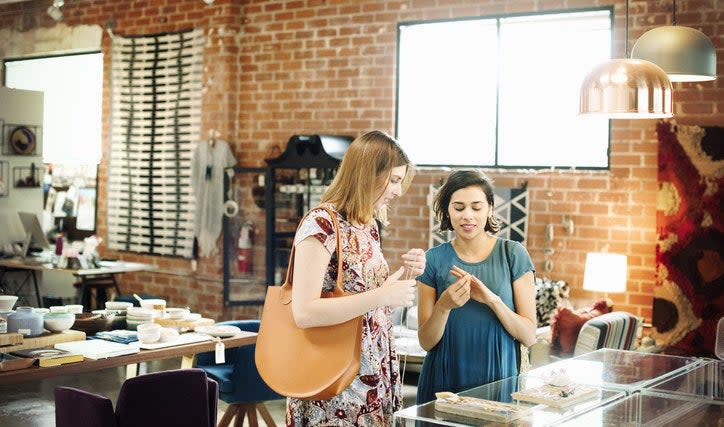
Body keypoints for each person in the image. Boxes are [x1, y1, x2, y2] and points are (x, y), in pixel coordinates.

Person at [288, 130, 426, 426]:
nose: (398, 192)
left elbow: (365, 294)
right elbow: (304, 312)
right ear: (366, 175)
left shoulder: (367, 225)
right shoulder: (321, 224)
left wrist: (401, 278)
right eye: (394, 180)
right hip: (334, 377)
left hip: (371, 371)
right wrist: (382, 296)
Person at [415, 169, 537, 404]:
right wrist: (443, 306)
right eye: (458, 208)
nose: (467, 216)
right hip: (443, 380)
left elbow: (529, 336)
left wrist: (492, 300)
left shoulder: (513, 254)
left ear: (490, 208)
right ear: (448, 211)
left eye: (476, 207)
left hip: (498, 379)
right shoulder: (432, 260)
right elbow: (426, 342)